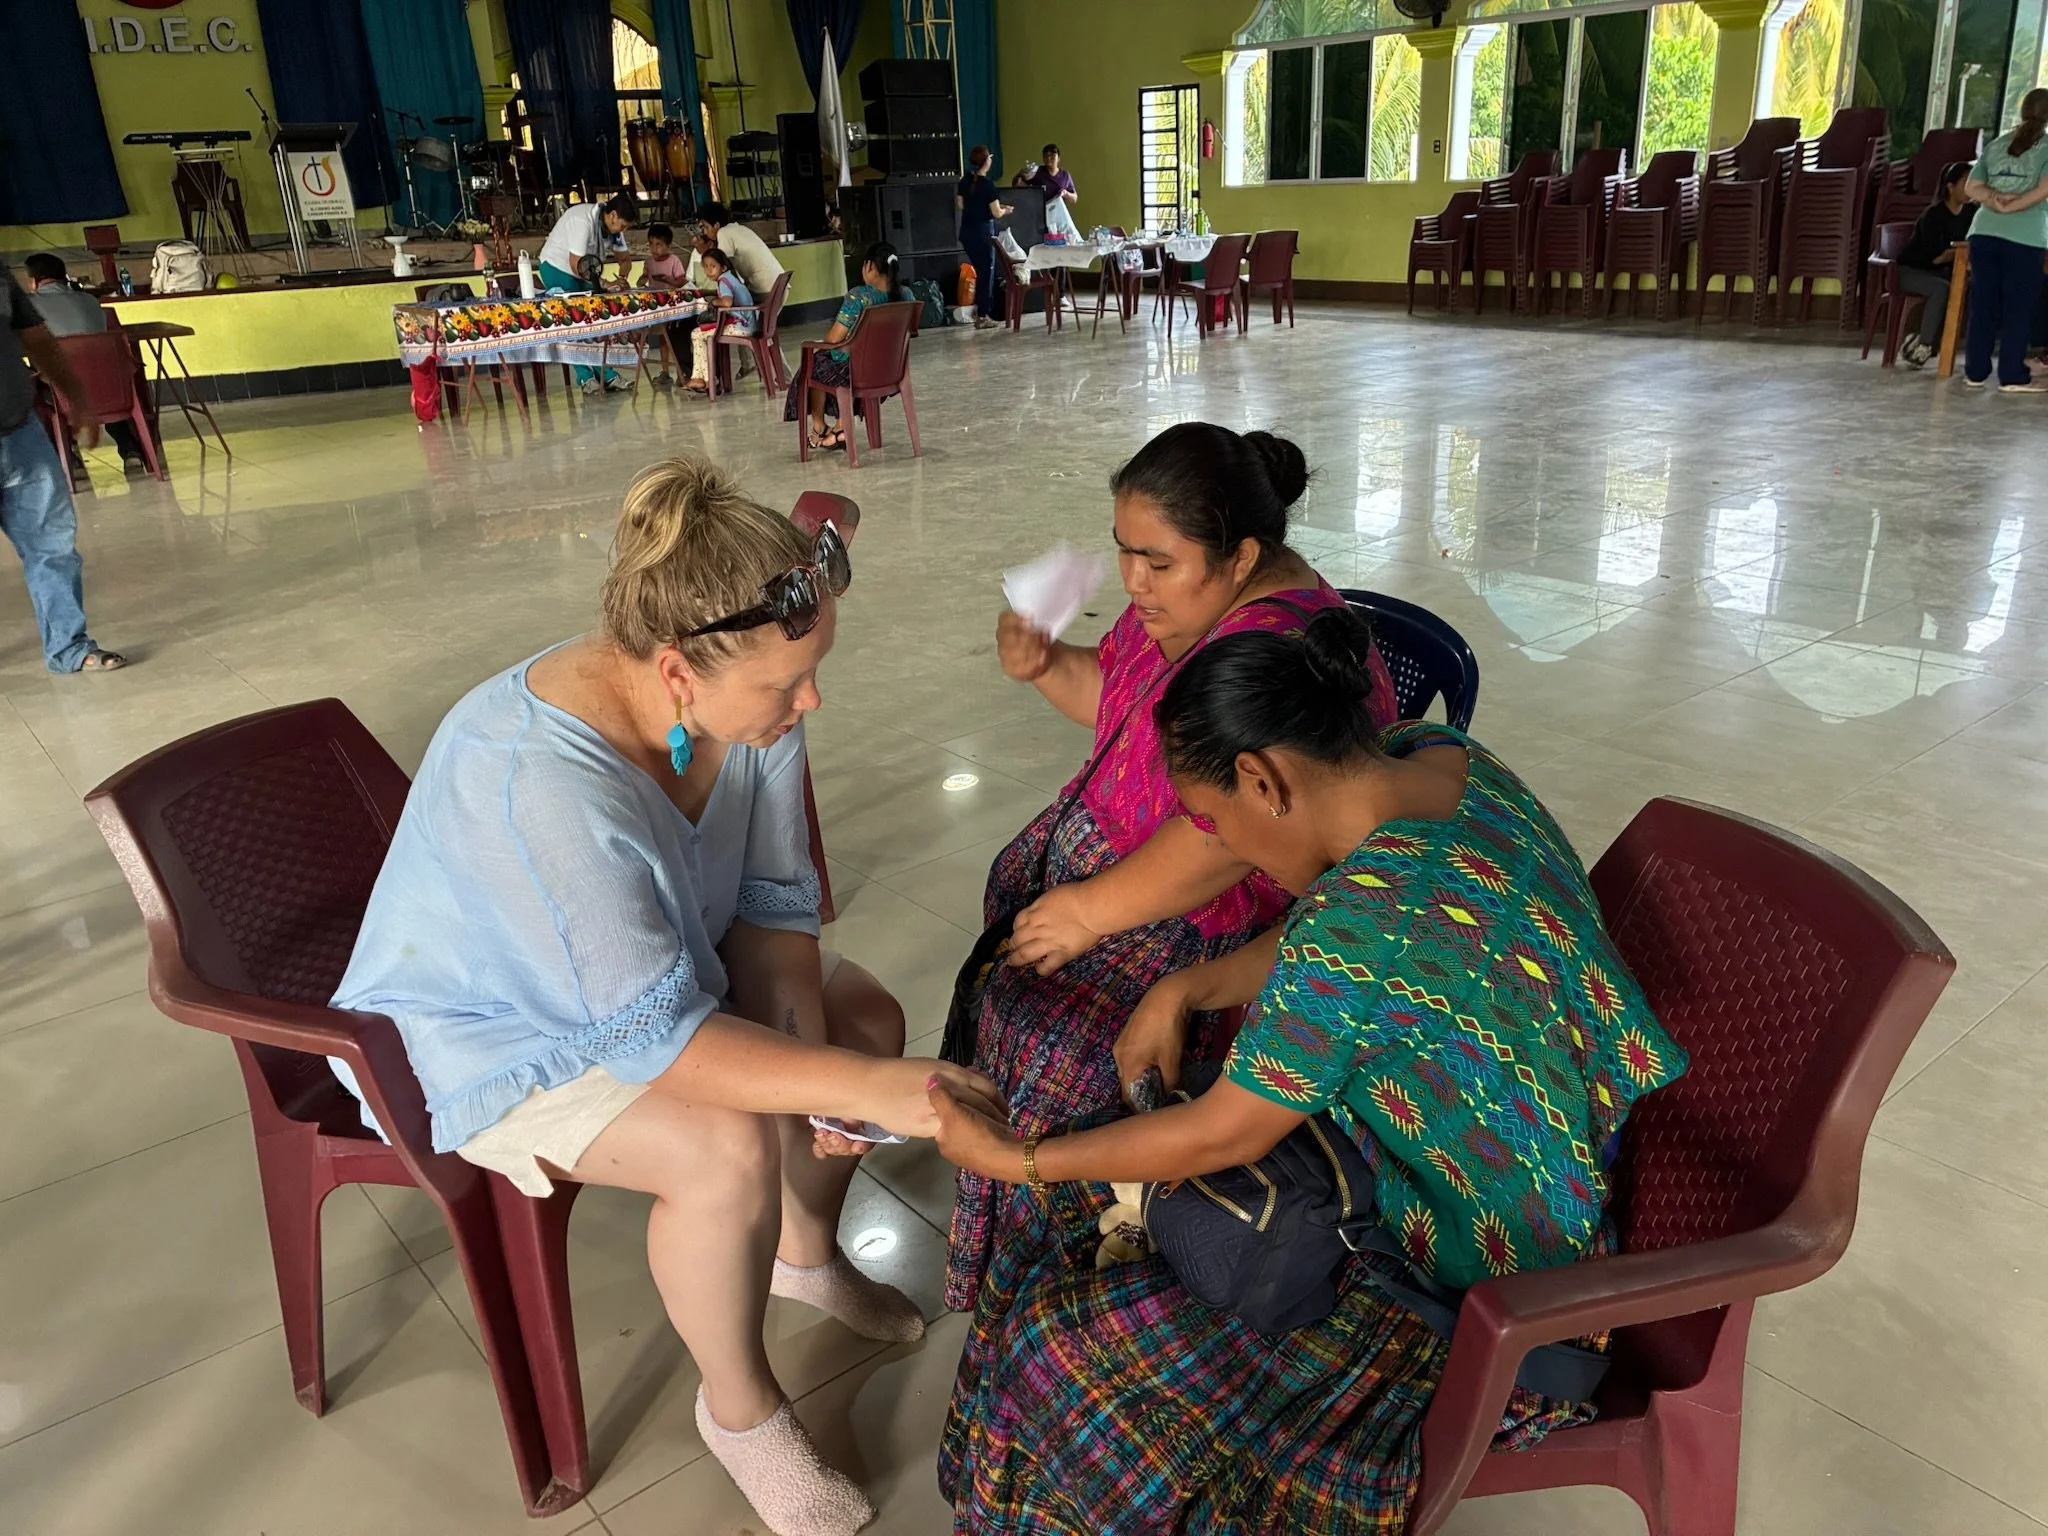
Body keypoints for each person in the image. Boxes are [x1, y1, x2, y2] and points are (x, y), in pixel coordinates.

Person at [330, 455, 1004, 1536]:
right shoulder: (537, 781)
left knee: (861, 1020)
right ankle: (738, 1411)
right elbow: (656, 1041)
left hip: (653, 969)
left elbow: (775, 902)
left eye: (812, 671)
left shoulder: (748, 704)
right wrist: (876, 1090)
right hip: (497, 1020)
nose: (809, 701)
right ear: (676, 668)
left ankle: (803, 1258)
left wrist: (844, 1071)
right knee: (724, 1146)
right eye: (787, 686)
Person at [929, 606, 1688, 1531]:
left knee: (1064, 1339)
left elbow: (1228, 1128)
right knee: (1087, 1215)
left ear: (1264, 779)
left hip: (1482, 1294)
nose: (1229, 848)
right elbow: (1333, 930)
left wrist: (1014, 1158)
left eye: (1217, 821)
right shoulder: (1440, 761)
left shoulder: (1363, 928)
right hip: (1521, 1178)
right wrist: (1187, 988)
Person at [943, 422, 1400, 1313]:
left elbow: (1231, 833)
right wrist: (1046, 666)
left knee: (1062, 1051)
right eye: (1123, 554)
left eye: (1156, 560)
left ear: (1243, 557)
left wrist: (1092, 912)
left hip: (1203, 914)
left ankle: (1075, 1279)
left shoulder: (1269, 658)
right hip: (1119, 893)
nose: (1132, 582)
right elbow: (1118, 706)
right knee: (1009, 1002)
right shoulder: (1189, 602)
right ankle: (1019, 1248)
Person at [2, 263, 126, 673]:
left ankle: (69, 648)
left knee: (52, 546)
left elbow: (34, 335)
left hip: (19, 433)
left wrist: (77, 396)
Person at [20, 253, 148, 474]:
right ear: (63, 277)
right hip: (114, 391)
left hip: (64, 394)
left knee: (30, 386)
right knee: (97, 374)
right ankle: (131, 451)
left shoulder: (28, 306)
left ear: (33, 281)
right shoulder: (91, 301)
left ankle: (68, 457)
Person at [782, 241, 905, 452]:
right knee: (823, 361)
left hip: (856, 373)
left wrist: (820, 346)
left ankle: (820, 427)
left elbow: (834, 338)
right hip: (891, 371)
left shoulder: (859, 296)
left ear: (869, 267)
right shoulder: (906, 296)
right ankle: (837, 428)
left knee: (812, 364)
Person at [1963, 88, 2048, 392]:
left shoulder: (1998, 144)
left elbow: (1972, 186)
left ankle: (1975, 372)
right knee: (2018, 307)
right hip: (2024, 235)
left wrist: (1994, 199)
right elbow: (2043, 189)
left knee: (1982, 303)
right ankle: (2012, 374)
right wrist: (2015, 204)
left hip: (1984, 231)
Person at [537, 190, 639, 395]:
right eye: (623, 225)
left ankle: (607, 374)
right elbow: (577, 264)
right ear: (612, 216)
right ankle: (586, 378)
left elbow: (623, 257)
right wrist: (604, 283)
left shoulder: (613, 228)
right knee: (575, 322)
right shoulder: (582, 221)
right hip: (558, 268)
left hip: (584, 271)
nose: (624, 230)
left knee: (596, 319)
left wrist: (624, 271)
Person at [1899, 163, 1976, 369]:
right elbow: (1935, 257)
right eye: (1965, 182)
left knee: (1970, 287)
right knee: (1941, 289)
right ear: (1951, 187)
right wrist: (1961, 251)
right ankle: (1923, 346)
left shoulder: (1972, 212)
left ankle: (1952, 346)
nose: (1971, 187)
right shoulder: (1933, 215)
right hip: (1913, 271)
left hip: (1944, 272)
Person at [684, 245, 755, 396]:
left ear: (722, 268)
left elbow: (727, 302)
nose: (709, 270)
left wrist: (714, 302)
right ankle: (698, 378)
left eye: (713, 266)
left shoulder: (724, 281)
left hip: (740, 326)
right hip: (748, 323)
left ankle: (708, 379)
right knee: (700, 334)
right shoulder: (730, 277)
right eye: (706, 266)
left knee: (697, 334)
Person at [694, 201, 786, 310]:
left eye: (705, 227)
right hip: (777, 286)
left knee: (721, 308)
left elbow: (723, 271)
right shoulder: (738, 228)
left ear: (716, 225)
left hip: (765, 290)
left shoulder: (723, 233)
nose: (704, 232)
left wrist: (704, 253)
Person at [958, 145, 1012, 331]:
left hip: (966, 232)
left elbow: (961, 204)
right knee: (986, 273)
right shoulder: (988, 185)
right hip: (983, 234)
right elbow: (996, 213)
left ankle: (981, 313)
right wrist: (1005, 210)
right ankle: (982, 315)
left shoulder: (964, 181)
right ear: (986, 161)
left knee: (980, 271)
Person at [639, 223, 690, 389]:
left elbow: (681, 281)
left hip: (672, 305)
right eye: (651, 244)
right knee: (661, 337)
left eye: (659, 244)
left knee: (673, 338)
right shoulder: (649, 262)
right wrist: (641, 281)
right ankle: (665, 371)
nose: (654, 249)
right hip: (657, 304)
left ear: (668, 245)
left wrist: (669, 281)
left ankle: (682, 370)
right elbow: (644, 277)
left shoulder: (674, 260)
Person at [1012, 142, 1078, 208]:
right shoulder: (1036, 171)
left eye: (1052, 155)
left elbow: (1074, 199)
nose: (1049, 158)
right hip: (1038, 211)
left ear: (1058, 158)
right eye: (1046, 155)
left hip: (1057, 212)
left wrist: (1065, 193)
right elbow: (1015, 183)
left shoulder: (1065, 175)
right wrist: (1021, 174)